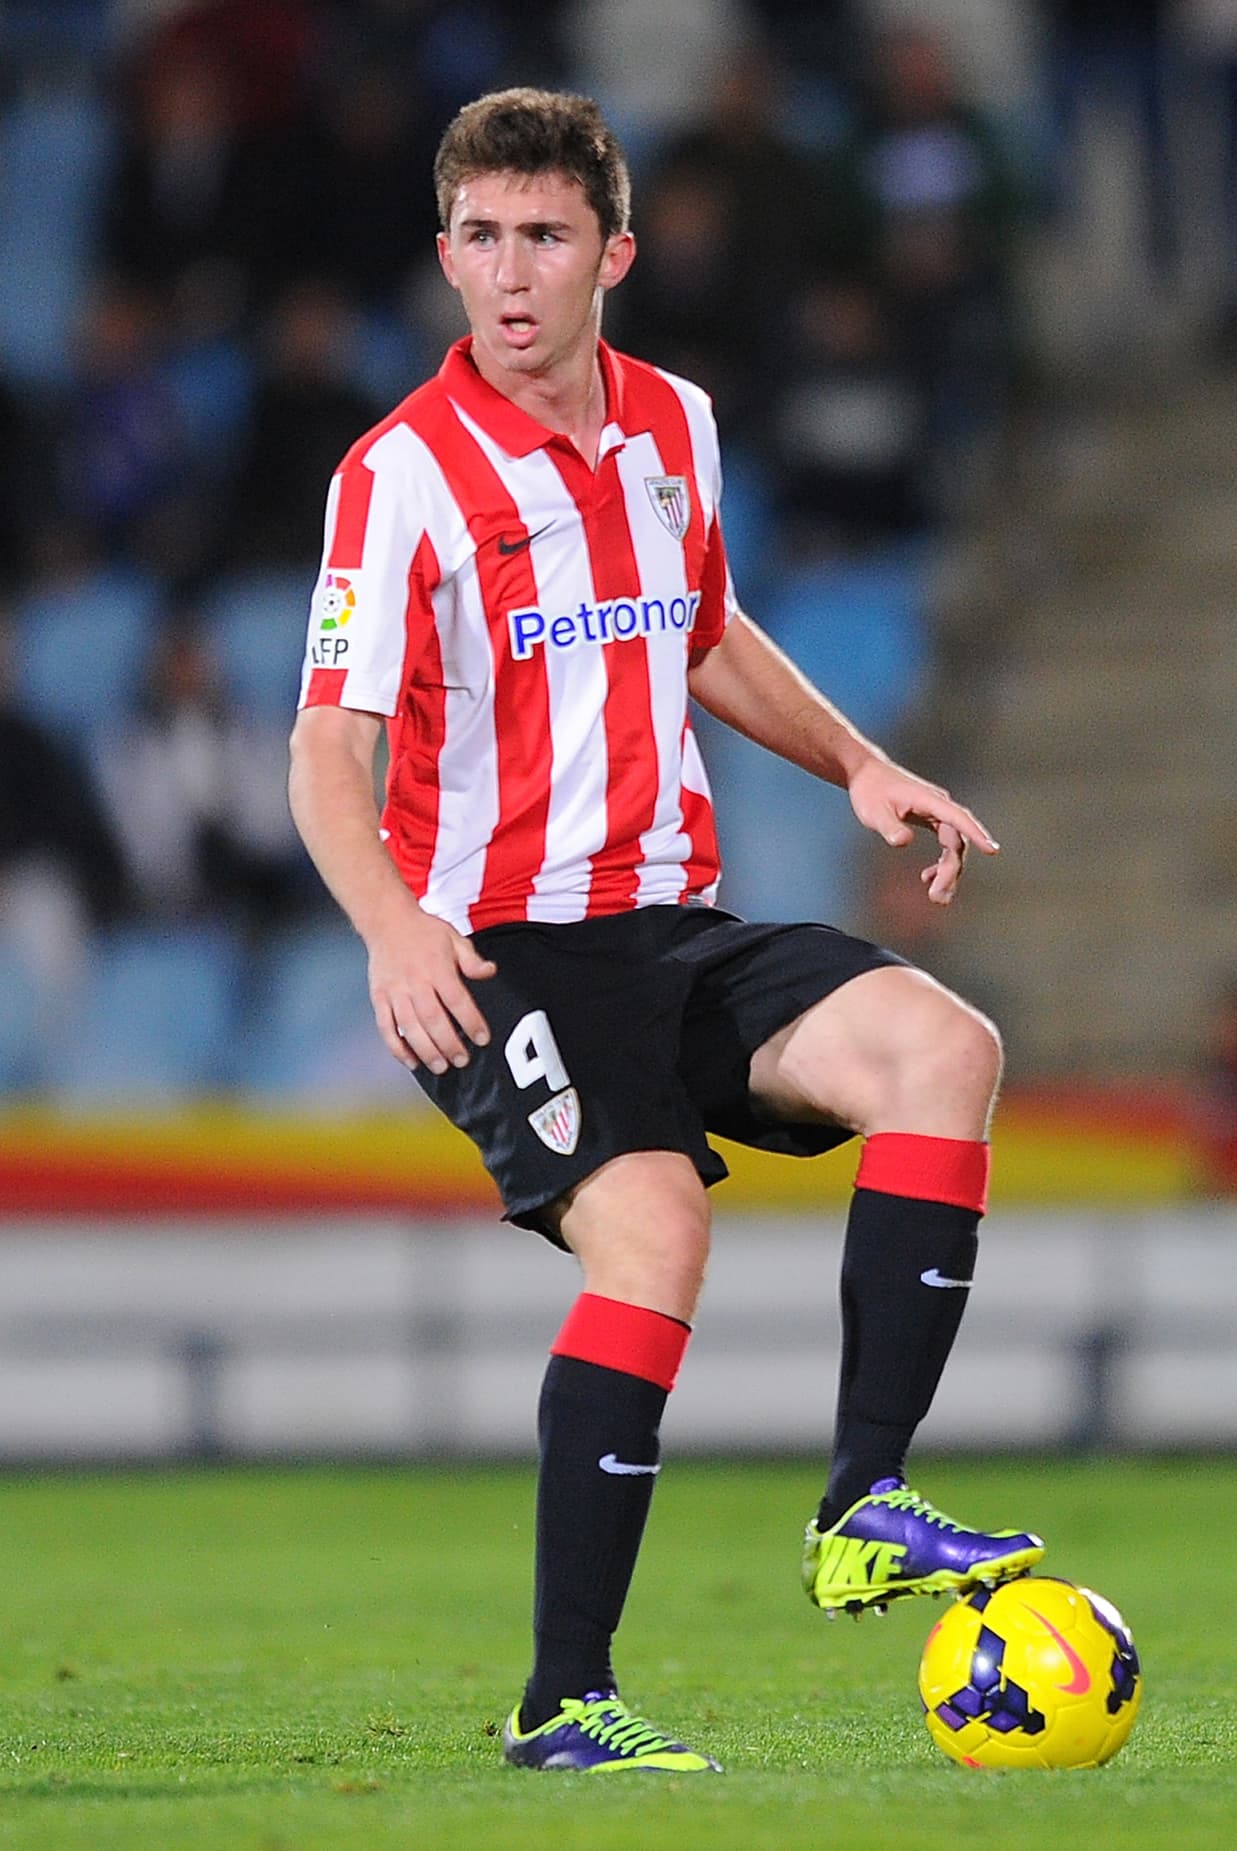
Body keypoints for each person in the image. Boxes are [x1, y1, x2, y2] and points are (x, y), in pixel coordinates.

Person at [287, 87, 1043, 1776]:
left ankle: (864, 1503)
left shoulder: (676, 425)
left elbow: (698, 626)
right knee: (652, 1234)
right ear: (444, 253)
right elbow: (325, 746)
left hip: (673, 924)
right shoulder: (397, 478)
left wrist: (857, 760)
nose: (509, 273)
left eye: (543, 235)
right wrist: (392, 926)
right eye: (479, 237)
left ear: (612, 252)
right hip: (497, 949)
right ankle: (565, 1703)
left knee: (944, 1046)